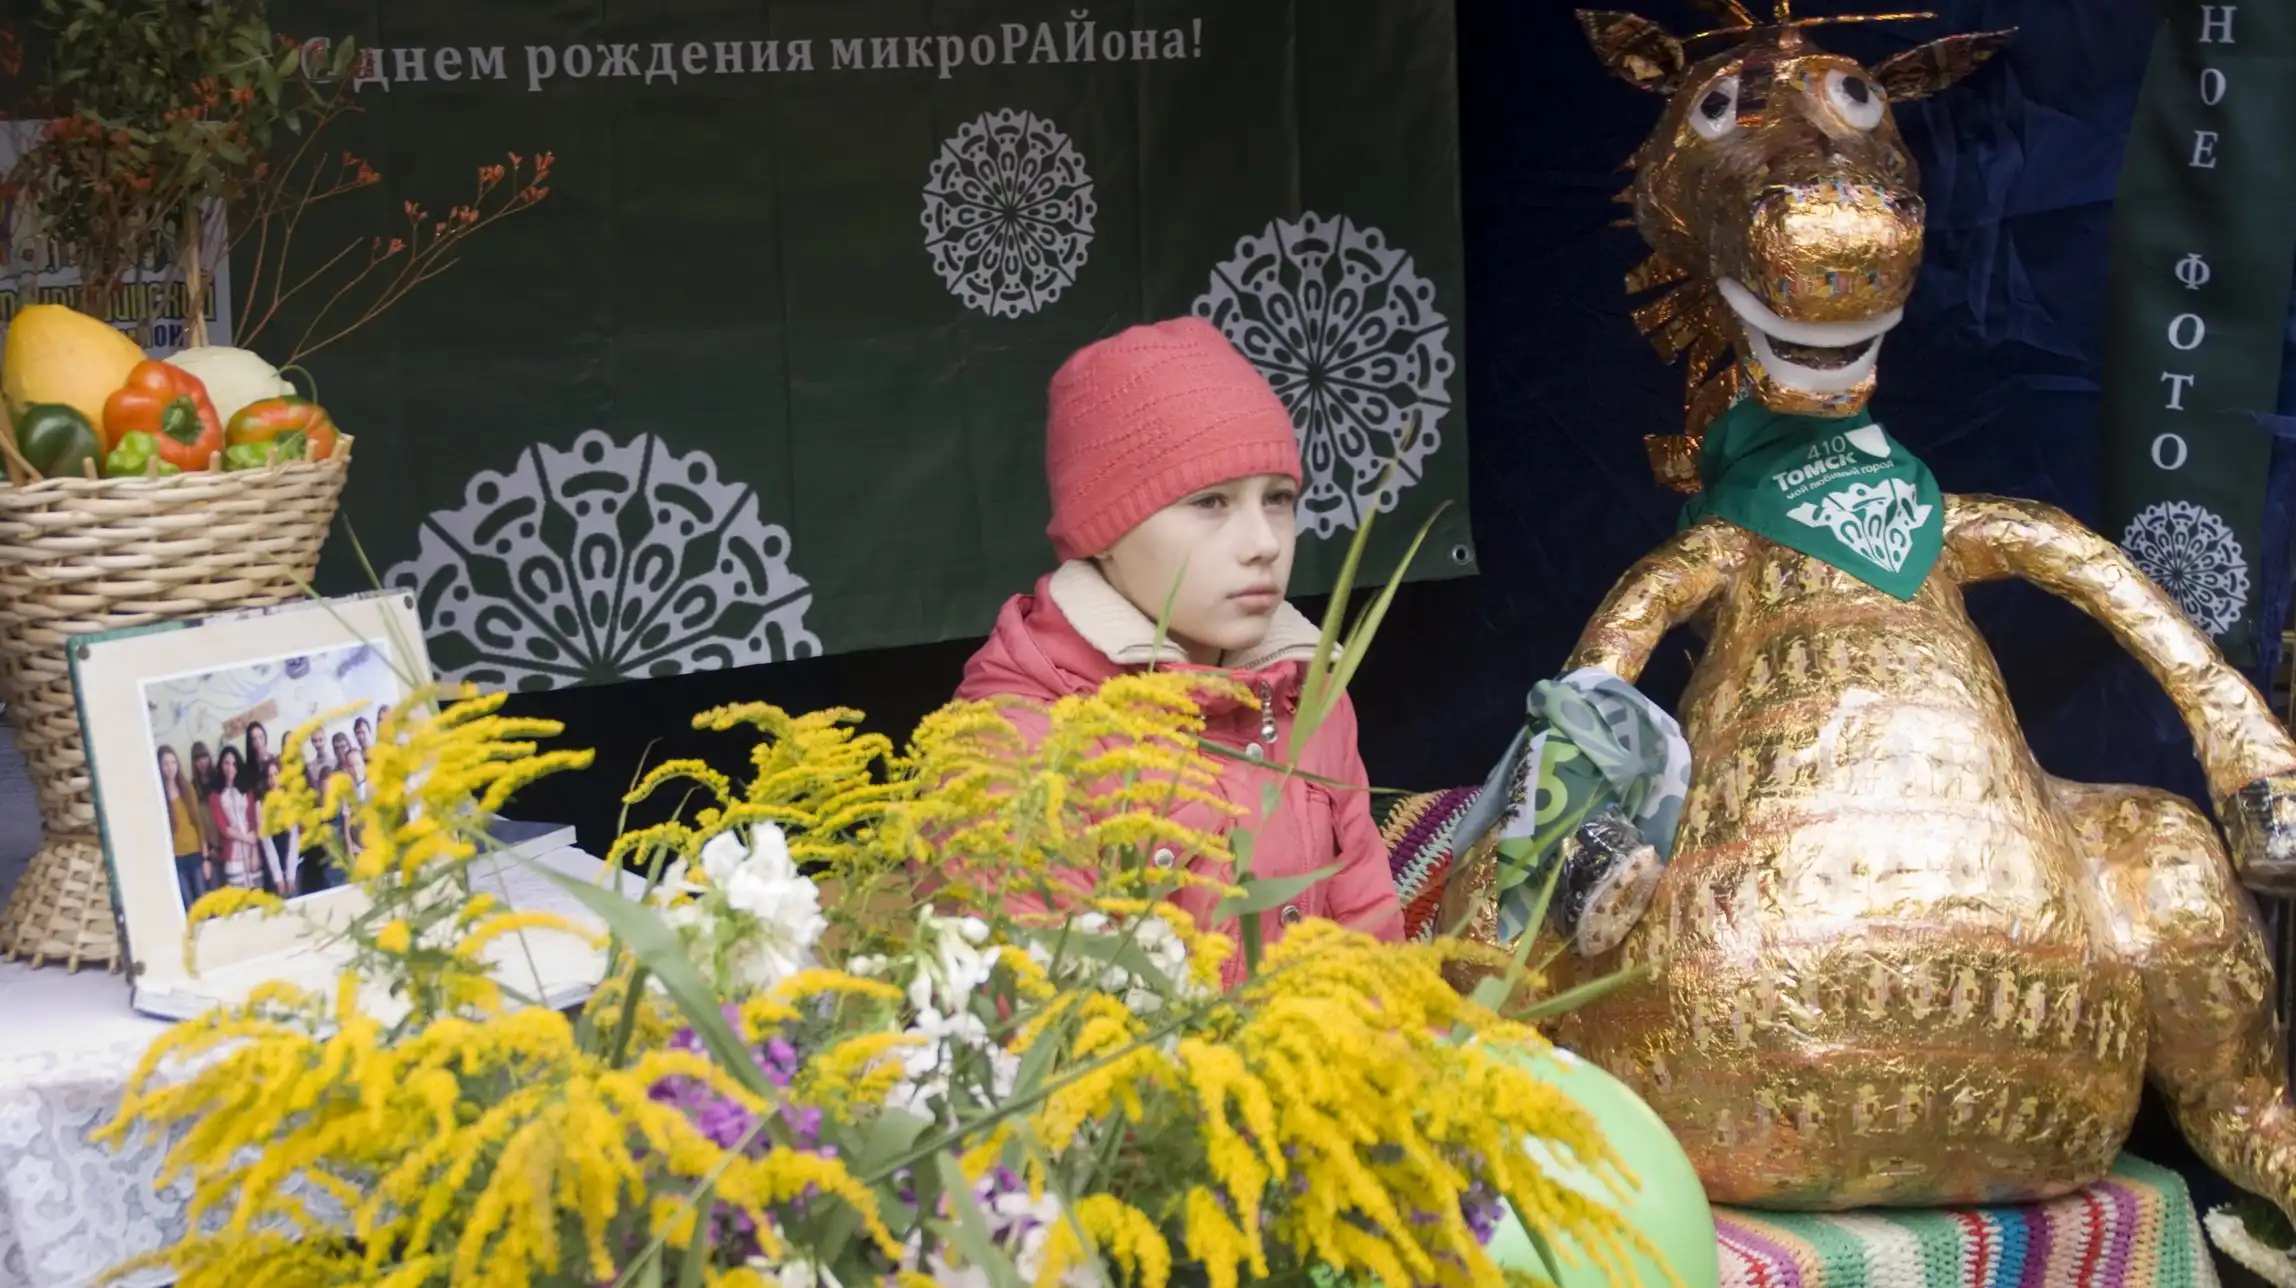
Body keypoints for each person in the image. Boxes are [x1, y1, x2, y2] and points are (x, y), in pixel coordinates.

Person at [955, 317, 1402, 975]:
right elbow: (1033, 1014)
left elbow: (1375, 951)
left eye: (1278, 499)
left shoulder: (1309, 696)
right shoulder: (1018, 743)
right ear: (1102, 531)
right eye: (1210, 502)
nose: (1264, 543)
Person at [208, 745, 264, 891]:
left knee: (258, 897)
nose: (230, 768)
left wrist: (254, 850)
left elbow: (254, 822)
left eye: (234, 764)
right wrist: (245, 838)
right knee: (239, 899)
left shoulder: (247, 792)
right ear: (221, 765)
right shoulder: (215, 796)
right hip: (232, 856)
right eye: (226, 763)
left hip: (252, 853)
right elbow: (223, 828)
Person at [158, 745, 205, 910]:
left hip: (194, 851)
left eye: (173, 762)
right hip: (176, 857)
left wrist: (205, 854)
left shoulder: (187, 789)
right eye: (165, 764)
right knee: (187, 901)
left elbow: (198, 822)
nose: (170, 768)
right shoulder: (159, 795)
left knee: (202, 897)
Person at [259, 756, 299, 897]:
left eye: (276, 774)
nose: (273, 780)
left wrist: (290, 875)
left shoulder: (289, 800)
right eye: (269, 776)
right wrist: (278, 878)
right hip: (273, 866)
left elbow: (294, 838)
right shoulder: (261, 805)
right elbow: (267, 843)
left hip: (293, 864)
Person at [189, 741, 223, 889]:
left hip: (226, 839)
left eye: (204, 757)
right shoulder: (193, 786)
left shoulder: (218, 778)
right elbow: (199, 820)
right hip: (209, 846)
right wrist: (209, 848)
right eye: (198, 759)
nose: (202, 762)